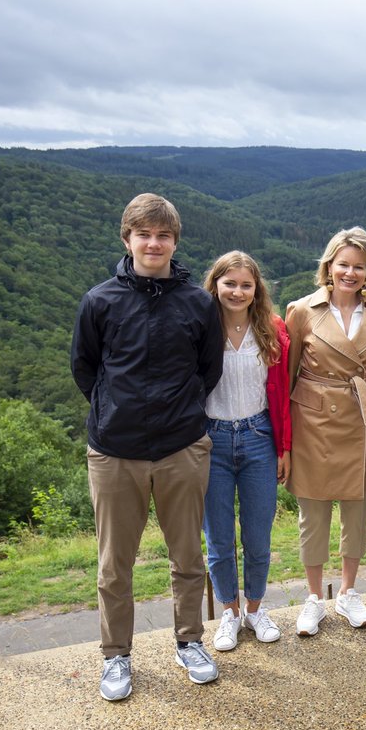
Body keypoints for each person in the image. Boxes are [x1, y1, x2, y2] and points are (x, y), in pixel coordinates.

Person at [71, 193, 223, 701]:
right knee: (115, 563)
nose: (153, 243)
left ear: (175, 242)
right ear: (127, 239)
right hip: (115, 451)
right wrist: (116, 412)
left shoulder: (198, 303)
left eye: (163, 235)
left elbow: (209, 370)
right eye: (144, 234)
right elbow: (85, 368)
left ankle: (189, 642)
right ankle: (116, 655)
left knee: (188, 556)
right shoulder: (99, 301)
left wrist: (183, 416)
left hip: (182, 446)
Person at [285, 227, 366, 636]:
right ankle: (313, 597)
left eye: (359, 266)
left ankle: (347, 592)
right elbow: (287, 375)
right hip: (312, 423)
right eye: (343, 264)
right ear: (329, 266)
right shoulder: (301, 311)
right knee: (313, 516)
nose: (350, 273)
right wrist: (284, 443)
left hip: (360, 420)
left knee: (356, 514)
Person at [201, 251, 291, 652]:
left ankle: (255, 609)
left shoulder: (271, 328)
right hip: (211, 439)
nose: (237, 292)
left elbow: (282, 395)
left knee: (258, 535)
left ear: (257, 289)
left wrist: (284, 447)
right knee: (218, 537)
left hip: (258, 437)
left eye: (246, 285)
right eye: (230, 284)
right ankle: (229, 612)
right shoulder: (201, 326)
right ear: (215, 285)